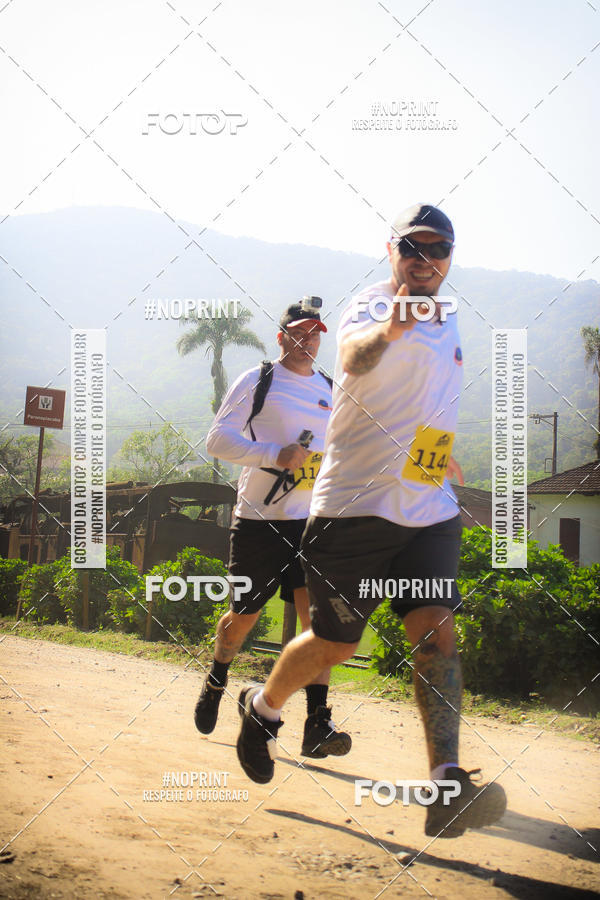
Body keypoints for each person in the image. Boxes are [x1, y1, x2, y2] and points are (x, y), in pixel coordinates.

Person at [235, 204, 507, 838]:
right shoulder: (372, 305)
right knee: (336, 644)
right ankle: (264, 708)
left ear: (451, 257)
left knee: (436, 634)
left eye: (438, 248)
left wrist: (438, 453)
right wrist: (392, 327)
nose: (425, 258)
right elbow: (356, 360)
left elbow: (422, 398)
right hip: (353, 509)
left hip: (429, 507)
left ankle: (446, 785)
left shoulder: (450, 317)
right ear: (392, 252)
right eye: (413, 246)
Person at [194, 298, 352, 759]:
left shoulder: (330, 388)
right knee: (241, 621)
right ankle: (218, 677)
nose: (308, 341)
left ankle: (317, 722)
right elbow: (217, 440)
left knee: (317, 625)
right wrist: (273, 455)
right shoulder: (258, 380)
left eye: (315, 334)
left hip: (312, 524)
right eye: (299, 333)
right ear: (282, 337)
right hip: (259, 522)